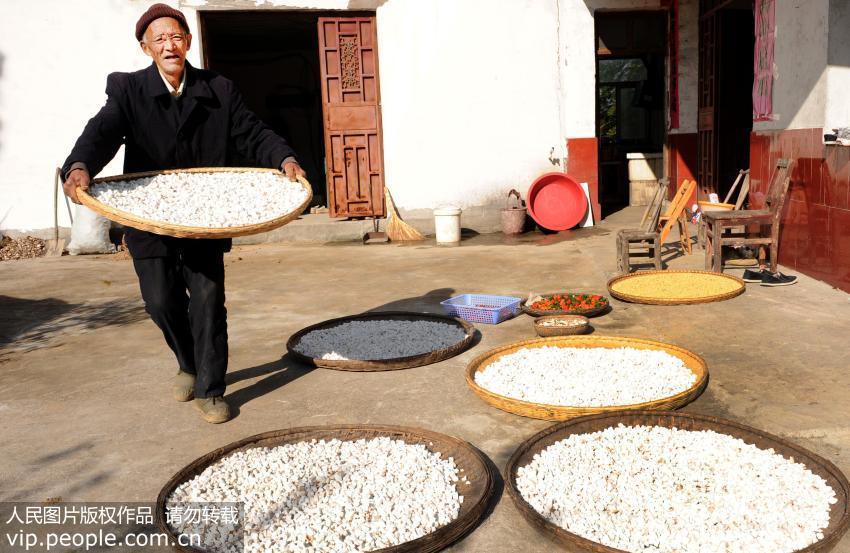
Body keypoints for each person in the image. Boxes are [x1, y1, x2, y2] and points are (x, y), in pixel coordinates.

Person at [61, 3, 305, 423]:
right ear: (146, 48)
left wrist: (283, 157)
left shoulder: (218, 89)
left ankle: (210, 389)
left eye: (176, 37)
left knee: (208, 300)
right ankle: (187, 362)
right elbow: (102, 130)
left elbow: (252, 132)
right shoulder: (128, 90)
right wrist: (80, 165)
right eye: (159, 39)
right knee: (160, 301)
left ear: (188, 42)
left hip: (203, 219)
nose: (169, 45)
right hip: (149, 215)